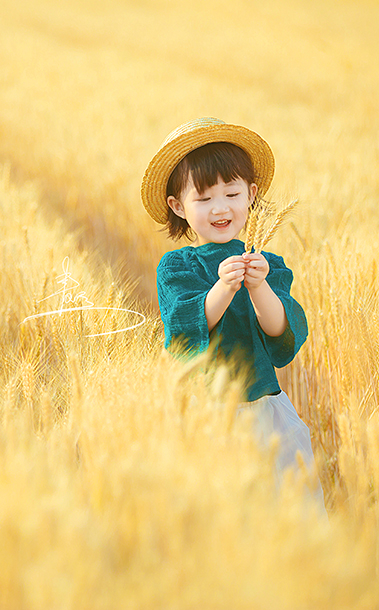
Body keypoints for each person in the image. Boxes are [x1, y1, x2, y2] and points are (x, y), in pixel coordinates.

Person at [141, 117, 325, 510]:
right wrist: (223, 288)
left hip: (266, 411)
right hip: (209, 414)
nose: (220, 208)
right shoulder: (178, 267)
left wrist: (258, 287)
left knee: (287, 510)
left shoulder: (268, 264)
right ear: (178, 206)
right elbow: (183, 329)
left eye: (231, 194)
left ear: (251, 195)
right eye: (204, 199)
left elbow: (282, 335)